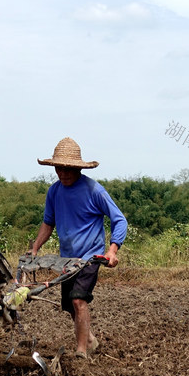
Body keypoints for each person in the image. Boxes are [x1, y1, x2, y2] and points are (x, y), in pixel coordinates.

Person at [30, 137, 127, 359]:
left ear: (78, 168)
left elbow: (119, 220)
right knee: (69, 305)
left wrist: (112, 251)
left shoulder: (94, 191)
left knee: (78, 300)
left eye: (68, 169)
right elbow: (48, 223)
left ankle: (81, 351)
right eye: (59, 168)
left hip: (90, 257)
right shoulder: (54, 192)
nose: (63, 173)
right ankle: (90, 340)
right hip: (67, 259)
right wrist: (35, 247)